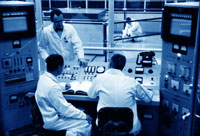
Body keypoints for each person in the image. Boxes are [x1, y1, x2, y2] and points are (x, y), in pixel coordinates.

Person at [88, 54, 153, 135]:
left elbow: (91, 95)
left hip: (104, 126)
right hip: (129, 128)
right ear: (123, 66)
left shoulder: (99, 79)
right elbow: (148, 98)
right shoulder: (131, 81)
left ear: (109, 64)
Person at [35, 54, 92, 136]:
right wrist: (85, 116)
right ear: (59, 68)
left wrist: (63, 86)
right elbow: (65, 109)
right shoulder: (53, 87)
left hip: (46, 117)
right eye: (62, 66)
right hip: (53, 121)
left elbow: (51, 88)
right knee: (86, 123)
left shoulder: (43, 78)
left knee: (79, 112)